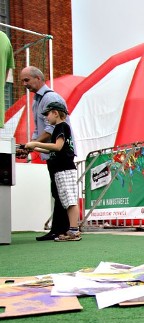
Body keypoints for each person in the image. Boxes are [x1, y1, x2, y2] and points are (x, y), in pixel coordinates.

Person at [20, 66, 71, 241]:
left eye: (27, 80)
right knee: (57, 192)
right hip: (53, 155)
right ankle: (59, 229)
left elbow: (49, 131)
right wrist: (30, 146)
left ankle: (64, 229)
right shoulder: (37, 100)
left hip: (60, 156)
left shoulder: (50, 98)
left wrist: (32, 145)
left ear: (38, 78)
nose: (24, 84)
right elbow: (39, 130)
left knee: (61, 192)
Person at [25, 102, 81, 242]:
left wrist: (36, 143)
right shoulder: (59, 128)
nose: (46, 118)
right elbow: (52, 149)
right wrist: (34, 148)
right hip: (61, 169)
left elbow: (57, 146)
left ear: (55, 113)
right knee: (66, 200)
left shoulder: (61, 126)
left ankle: (74, 230)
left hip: (65, 168)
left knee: (70, 200)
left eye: (48, 114)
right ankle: (72, 229)